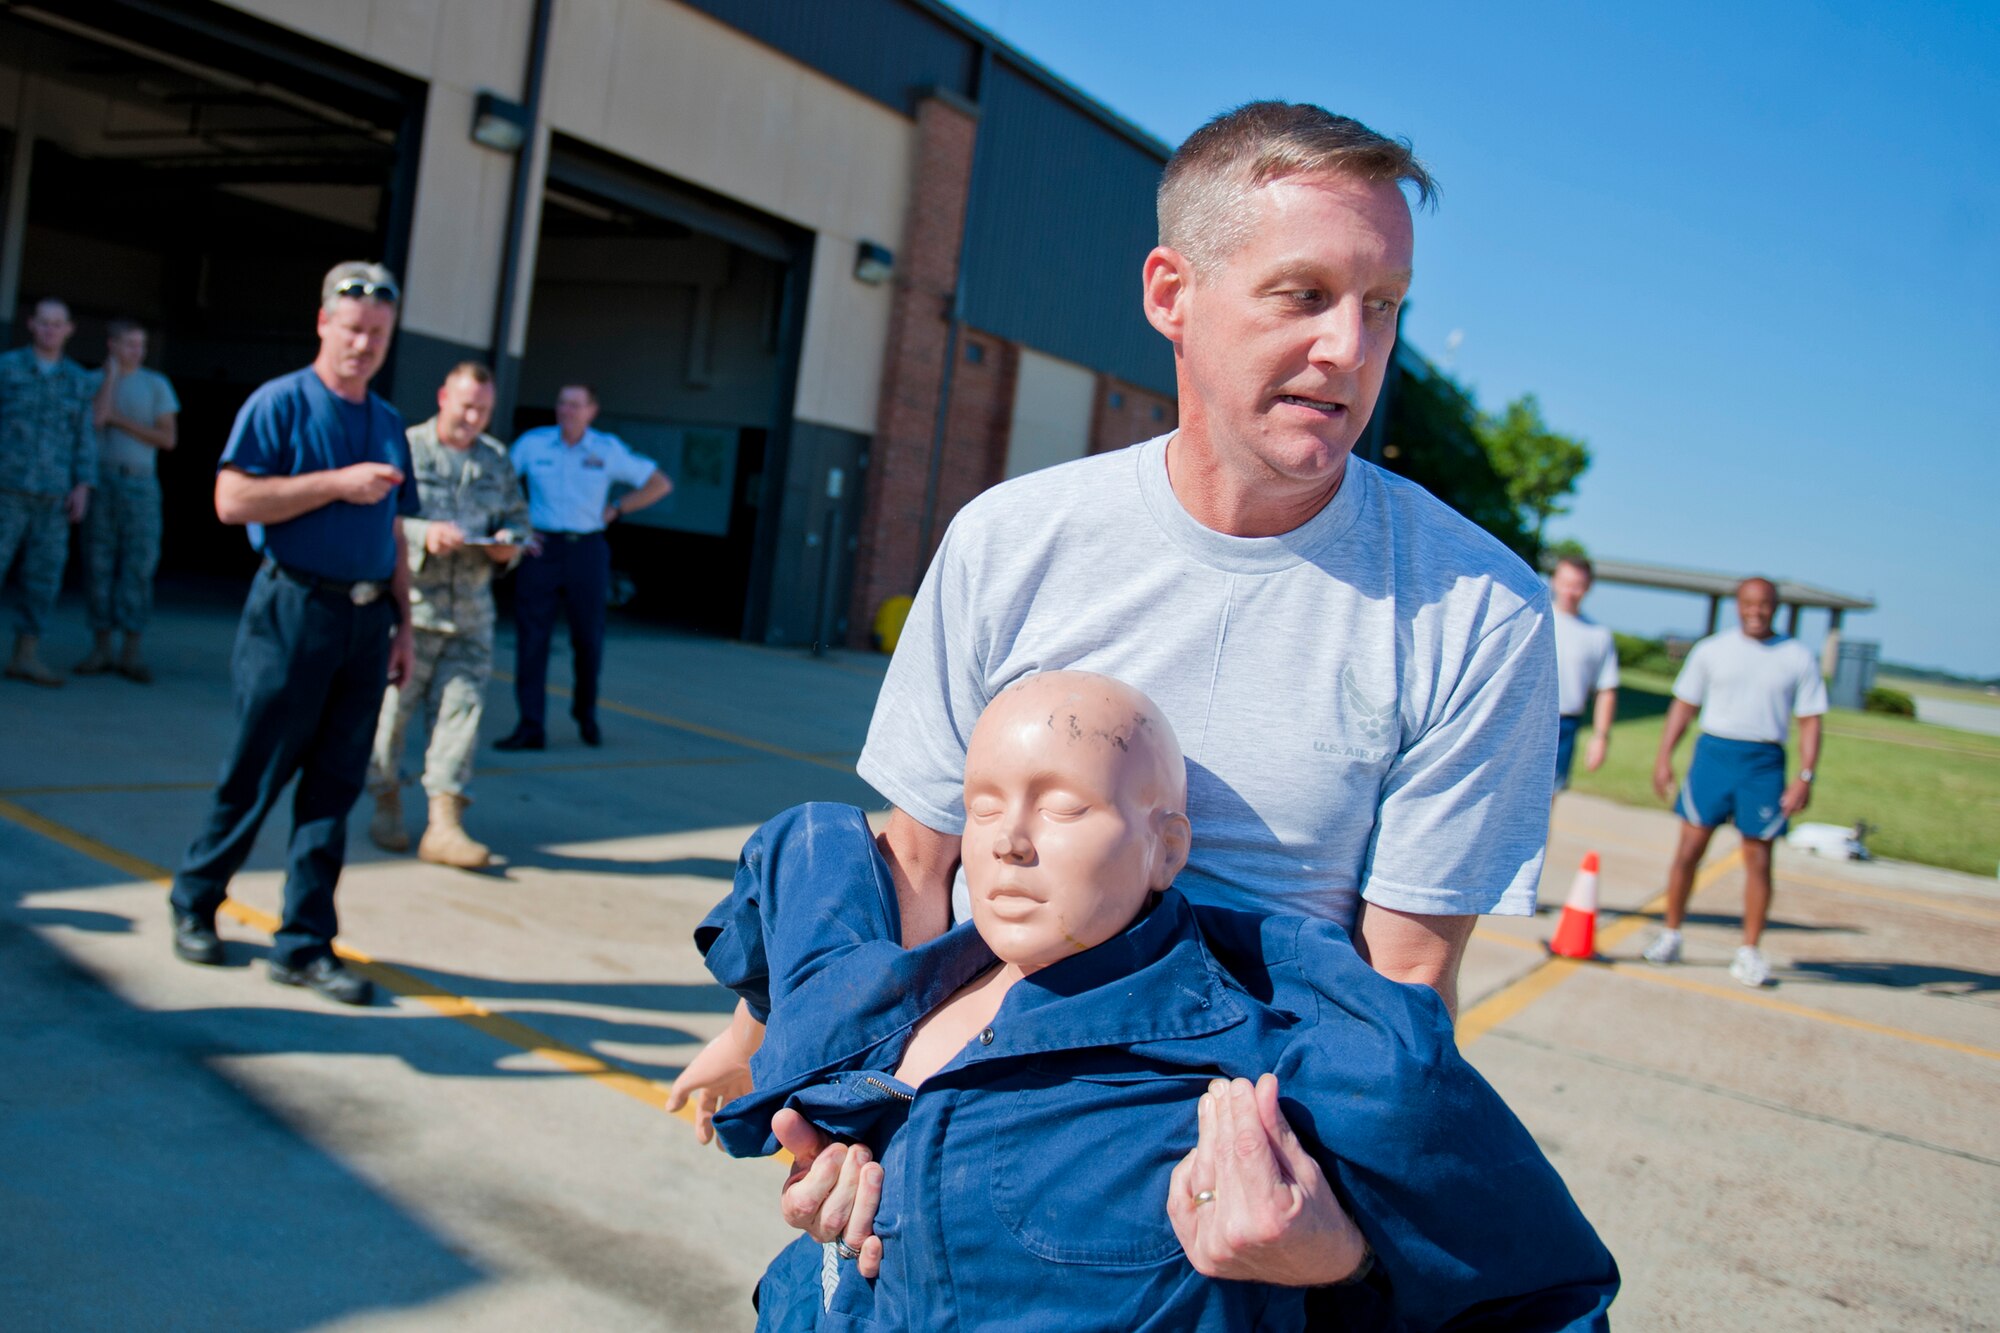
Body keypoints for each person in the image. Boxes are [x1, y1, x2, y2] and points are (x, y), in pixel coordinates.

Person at [675, 101, 1560, 1288]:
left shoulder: (1474, 612)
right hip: (936, 1134)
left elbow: (1397, 992)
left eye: (1381, 304)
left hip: (1186, 1204)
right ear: (1169, 295)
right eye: (1302, 295)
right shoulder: (1011, 541)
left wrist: (1331, 1245)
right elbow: (918, 865)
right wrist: (849, 1095)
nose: (1351, 348)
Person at [698, 672, 1617, 1331]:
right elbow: (803, 856)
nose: (1010, 842)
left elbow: (1537, 1292)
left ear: (1167, 848)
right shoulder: (892, 993)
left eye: (1061, 808)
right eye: (983, 806)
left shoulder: (1270, 1062)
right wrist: (753, 1046)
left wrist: (1348, 1262)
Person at [167, 262, 419, 1007]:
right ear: (323, 324)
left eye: (377, 334)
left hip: (367, 621)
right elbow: (231, 498)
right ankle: (195, 899)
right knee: (256, 770)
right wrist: (335, 483)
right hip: (293, 610)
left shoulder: (386, 420)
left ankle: (304, 943)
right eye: (352, 330)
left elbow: (393, 530)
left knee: (334, 788)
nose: (363, 344)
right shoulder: (280, 403)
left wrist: (402, 620)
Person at [367, 362, 531, 869]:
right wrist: (423, 534)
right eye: (466, 406)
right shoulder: (407, 447)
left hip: (471, 616)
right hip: (410, 612)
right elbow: (379, 516)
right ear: (443, 396)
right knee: (390, 717)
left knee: (461, 715)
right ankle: (385, 802)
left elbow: (519, 524)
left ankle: (444, 823)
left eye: (483, 409)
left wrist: (509, 548)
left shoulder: (496, 459)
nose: (474, 417)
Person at [1646, 576, 1826, 987]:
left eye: (1764, 605)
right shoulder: (1712, 650)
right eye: (1748, 604)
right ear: (1737, 605)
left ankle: (1749, 952)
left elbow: (1811, 720)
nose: (1755, 611)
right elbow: (1683, 706)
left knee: (1758, 858)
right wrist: (1663, 758)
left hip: (1763, 762)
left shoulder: (1797, 656)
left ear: (1775, 607)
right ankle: (1671, 935)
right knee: (1689, 849)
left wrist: (1805, 776)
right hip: (1714, 755)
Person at [495, 383, 670, 751]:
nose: (567, 411)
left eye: (576, 405)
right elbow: (500, 485)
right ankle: (530, 727)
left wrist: (618, 507)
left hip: (586, 549)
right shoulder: (534, 443)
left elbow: (659, 484)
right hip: (541, 548)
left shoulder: (606, 449)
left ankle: (585, 715)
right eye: (562, 403)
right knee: (531, 641)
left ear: (591, 411)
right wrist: (520, 528)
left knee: (588, 639)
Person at [76, 318, 179, 683]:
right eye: (129, 344)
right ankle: (100, 647)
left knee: (138, 566)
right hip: (102, 482)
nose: (137, 351)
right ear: (112, 345)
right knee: (99, 564)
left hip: (139, 485)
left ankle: (130, 652)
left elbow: (167, 438)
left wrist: (121, 421)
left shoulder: (156, 385)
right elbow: (95, 419)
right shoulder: (94, 381)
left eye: (142, 345)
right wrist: (110, 377)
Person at [0, 298, 96, 687]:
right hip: (6, 490)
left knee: (44, 578)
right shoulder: (7, 368)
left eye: (59, 323)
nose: (51, 330)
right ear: (31, 325)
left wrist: (83, 485)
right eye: (44, 322)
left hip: (54, 496)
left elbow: (84, 436)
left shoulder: (77, 379)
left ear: (69, 329)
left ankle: (26, 655)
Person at [1549, 554, 1619, 796]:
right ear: (1554, 581)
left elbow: (1606, 689)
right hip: (1524, 716)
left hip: (1565, 724)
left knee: (1547, 799)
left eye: (1578, 585)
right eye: (1566, 583)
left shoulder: (1598, 635)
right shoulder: (1537, 617)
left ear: (1588, 588)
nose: (1570, 591)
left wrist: (1601, 737)